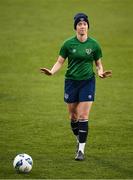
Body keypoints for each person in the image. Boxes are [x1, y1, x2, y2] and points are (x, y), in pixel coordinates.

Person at [40, 13, 112, 161]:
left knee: (83, 116)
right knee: (73, 117)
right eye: (79, 24)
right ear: (75, 27)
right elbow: (60, 61)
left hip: (88, 82)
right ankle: (78, 138)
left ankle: (81, 150)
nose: (82, 26)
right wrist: (52, 71)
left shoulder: (94, 45)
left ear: (88, 26)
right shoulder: (68, 44)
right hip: (71, 82)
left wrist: (100, 73)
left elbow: (98, 64)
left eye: (85, 24)